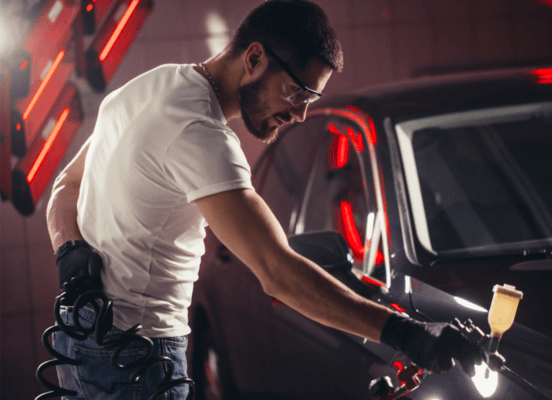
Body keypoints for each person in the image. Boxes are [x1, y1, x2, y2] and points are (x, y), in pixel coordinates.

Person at [47, 1, 482, 399]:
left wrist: (70, 249)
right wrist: (410, 336)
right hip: (134, 355)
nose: (300, 114)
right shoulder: (201, 135)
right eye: (297, 92)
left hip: (80, 333)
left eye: (311, 99)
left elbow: (65, 186)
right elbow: (277, 272)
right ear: (254, 58)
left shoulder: (144, 89)